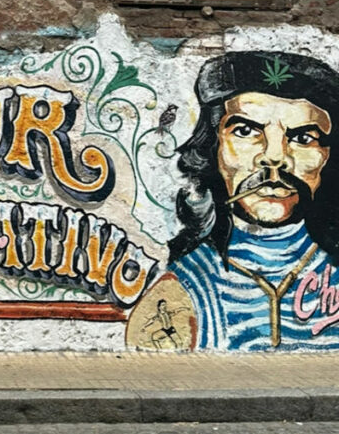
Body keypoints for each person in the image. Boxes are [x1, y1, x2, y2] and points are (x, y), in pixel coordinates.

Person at [128, 50, 339, 351]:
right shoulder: (184, 291)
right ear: (213, 147)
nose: (274, 157)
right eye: (246, 131)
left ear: (328, 156)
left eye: (303, 138)